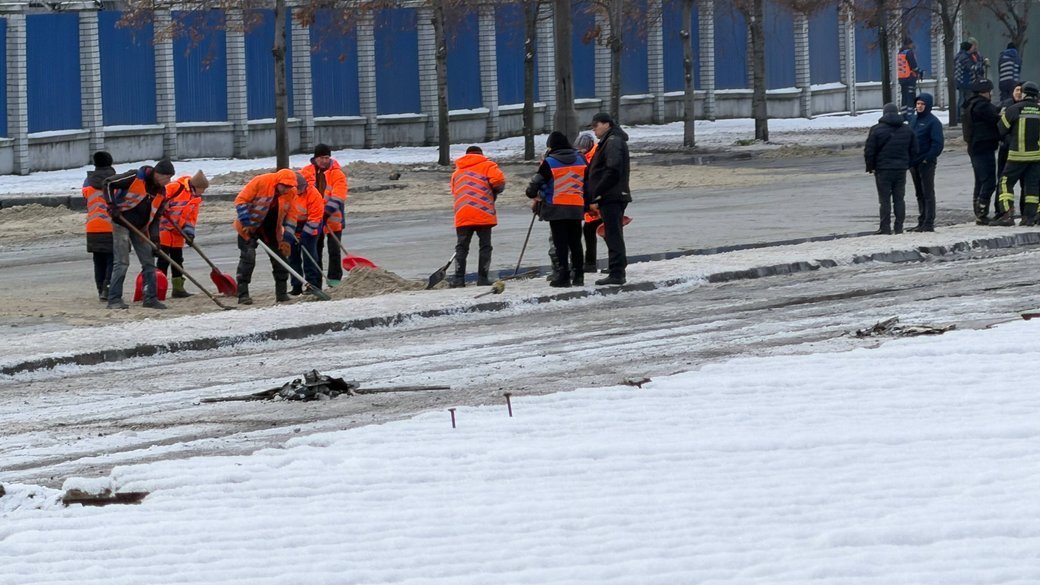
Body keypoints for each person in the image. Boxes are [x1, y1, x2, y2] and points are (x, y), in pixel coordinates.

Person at [103, 158, 175, 310]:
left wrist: (155, 239)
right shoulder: (135, 177)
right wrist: (112, 206)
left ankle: (150, 298)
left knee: (149, 262)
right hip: (121, 222)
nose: (168, 181)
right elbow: (108, 183)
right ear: (158, 173)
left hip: (141, 228)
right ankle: (114, 299)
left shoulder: (161, 193)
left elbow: (156, 218)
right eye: (167, 178)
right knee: (122, 262)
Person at [526, 131, 588, 287]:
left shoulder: (550, 162)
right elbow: (588, 182)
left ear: (551, 146)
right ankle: (579, 275)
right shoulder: (581, 159)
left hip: (556, 208)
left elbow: (535, 183)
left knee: (561, 244)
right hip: (576, 206)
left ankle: (563, 276)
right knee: (576, 243)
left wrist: (533, 194)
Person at [233, 169, 299, 305]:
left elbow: (292, 217)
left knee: (280, 259)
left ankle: (281, 293)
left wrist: (287, 239)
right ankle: (243, 294)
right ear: (278, 182)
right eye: (284, 186)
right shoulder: (261, 181)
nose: (286, 189)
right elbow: (241, 200)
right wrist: (246, 222)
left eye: (289, 186)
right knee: (248, 259)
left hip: (271, 229)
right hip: (249, 227)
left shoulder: (291, 193)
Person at [449, 145, 506, 287]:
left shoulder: (457, 172)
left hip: (463, 214)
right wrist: (495, 191)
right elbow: (498, 181)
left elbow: (454, 190)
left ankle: (458, 279)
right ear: (481, 154)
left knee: (462, 247)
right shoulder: (488, 166)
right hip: (483, 212)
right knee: (485, 246)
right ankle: (482, 278)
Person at [584, 112, 630, 286]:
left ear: (607, 124)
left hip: (612, 195)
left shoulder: (613, 142)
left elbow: (612, 169)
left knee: (613, 234)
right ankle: (616, 269)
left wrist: (598, 191)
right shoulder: (609, 141)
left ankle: (617, 273)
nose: (594, 130)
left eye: (596, 125)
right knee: (612, 233)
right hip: (611, 194)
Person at [864, 103, 918, 235]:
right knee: (899, 199)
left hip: (883, 170)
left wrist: (871, 167)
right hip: (900, 170)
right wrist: (907, 164)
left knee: (884, 200)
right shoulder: (907, 129)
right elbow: (915, 150)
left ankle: (885, 227)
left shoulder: (876, 129)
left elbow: (869, 151)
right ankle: (899, 227)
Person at [300, 143, 349, 287]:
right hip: (314, 219)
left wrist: (326, 212)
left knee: (334, 251)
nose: (324, 161)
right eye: (321, 158)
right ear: (315, 158)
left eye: (327, 157)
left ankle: (334, 281)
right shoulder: (306, 172)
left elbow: (339, 196)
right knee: (316, 251)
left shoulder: (337, 173)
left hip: (333, 219)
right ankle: (316, 281)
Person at [993, 81, 1040, 226]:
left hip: (1016, 155)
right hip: (1036, 157)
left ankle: (1007, 214)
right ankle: (1029, 218)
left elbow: (1000, 129)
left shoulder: (1014, 109)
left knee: (1005, 183)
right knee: (1032, 187)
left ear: (1024, 94)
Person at [158, 170, 208, 298]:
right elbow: (159, 196)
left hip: (177, 232)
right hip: (163, 228)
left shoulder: (195, 199)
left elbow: (191, 218)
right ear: (196, 186)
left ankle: (178, 289)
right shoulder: (176, 187)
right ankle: (159, 288)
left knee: (178, 260)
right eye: (203, 189)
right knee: (163, 260)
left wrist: (190, 234)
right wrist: (162, 206)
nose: (203, 192)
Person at [961, 79, 1001, 224]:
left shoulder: (969, 105)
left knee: (979, 180)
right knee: (989, 181)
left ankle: (978, 212)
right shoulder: (983, 106)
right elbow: (996, 120)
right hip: (984, 146)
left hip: (974, 147)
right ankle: (982, 212)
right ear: (985, 92)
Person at [81, 151, 116, 302]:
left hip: (93, 227)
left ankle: (100, 288)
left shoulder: (88, 182)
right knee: (112, 259)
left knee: (98, 260)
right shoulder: (116, 180)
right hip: (111, 227)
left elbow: (85, 197)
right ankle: (108, 288)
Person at [906, 93, 944, 232]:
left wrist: (927, 158)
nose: (919, 106)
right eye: (918, 104)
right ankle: (921, 220)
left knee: (928, 192)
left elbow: (938, 144)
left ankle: (929, 222)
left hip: (926, 162)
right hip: (913, 163)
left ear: (927, 106)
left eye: (922, 104)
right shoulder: (914, 119)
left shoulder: (933, 122)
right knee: (919, 193)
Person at [285, 172, 325, 295]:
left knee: (310, 256)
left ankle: (312, 285)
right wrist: (291, 231)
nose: (300, 192)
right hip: (294, 226)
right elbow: (285, 214)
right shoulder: (288, 194)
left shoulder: (314, 195)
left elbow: (315, 218)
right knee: (293, 257)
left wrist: (304, 236)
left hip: (311, 227)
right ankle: (296, 286)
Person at [574, 132, 601, 273]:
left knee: (593, 229)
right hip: (594, 199)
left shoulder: (593, 156)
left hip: (596, 200)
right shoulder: (591, 155)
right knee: (593, 229)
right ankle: (591, 263)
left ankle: (591, 263)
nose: (581, 150)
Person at [997, 82, 1025, 216]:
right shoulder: (1006, 106)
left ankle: (1027, 212)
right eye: (1017, 89)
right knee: (1003, 182)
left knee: (1027, 184)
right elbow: (1001, 129)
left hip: (1026, 152)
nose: (1019, 93)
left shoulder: (1030, 107)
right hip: (1007, 150)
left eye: (1021, 90)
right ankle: (1002, 211)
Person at [953, 41, 985, 125]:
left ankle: (960, 116)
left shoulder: (959, 56)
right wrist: (981, 64)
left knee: (962, 98)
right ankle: (961, 117)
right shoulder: (964, 57)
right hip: (965, 82)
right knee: (965, 100)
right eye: (971, 47)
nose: (972, 49)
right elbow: (971, 67)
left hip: (961, 81)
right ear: (967, 48)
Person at [897, 38, 922, 113]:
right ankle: (910, 114)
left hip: (902, 79)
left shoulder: (900, 53)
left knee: (904, 97)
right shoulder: (909, 53)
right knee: (911, 96)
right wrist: (919, 71)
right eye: (911, 44)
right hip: (910, 78)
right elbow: (913, 66)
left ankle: (903, 113)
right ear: (909, 44)